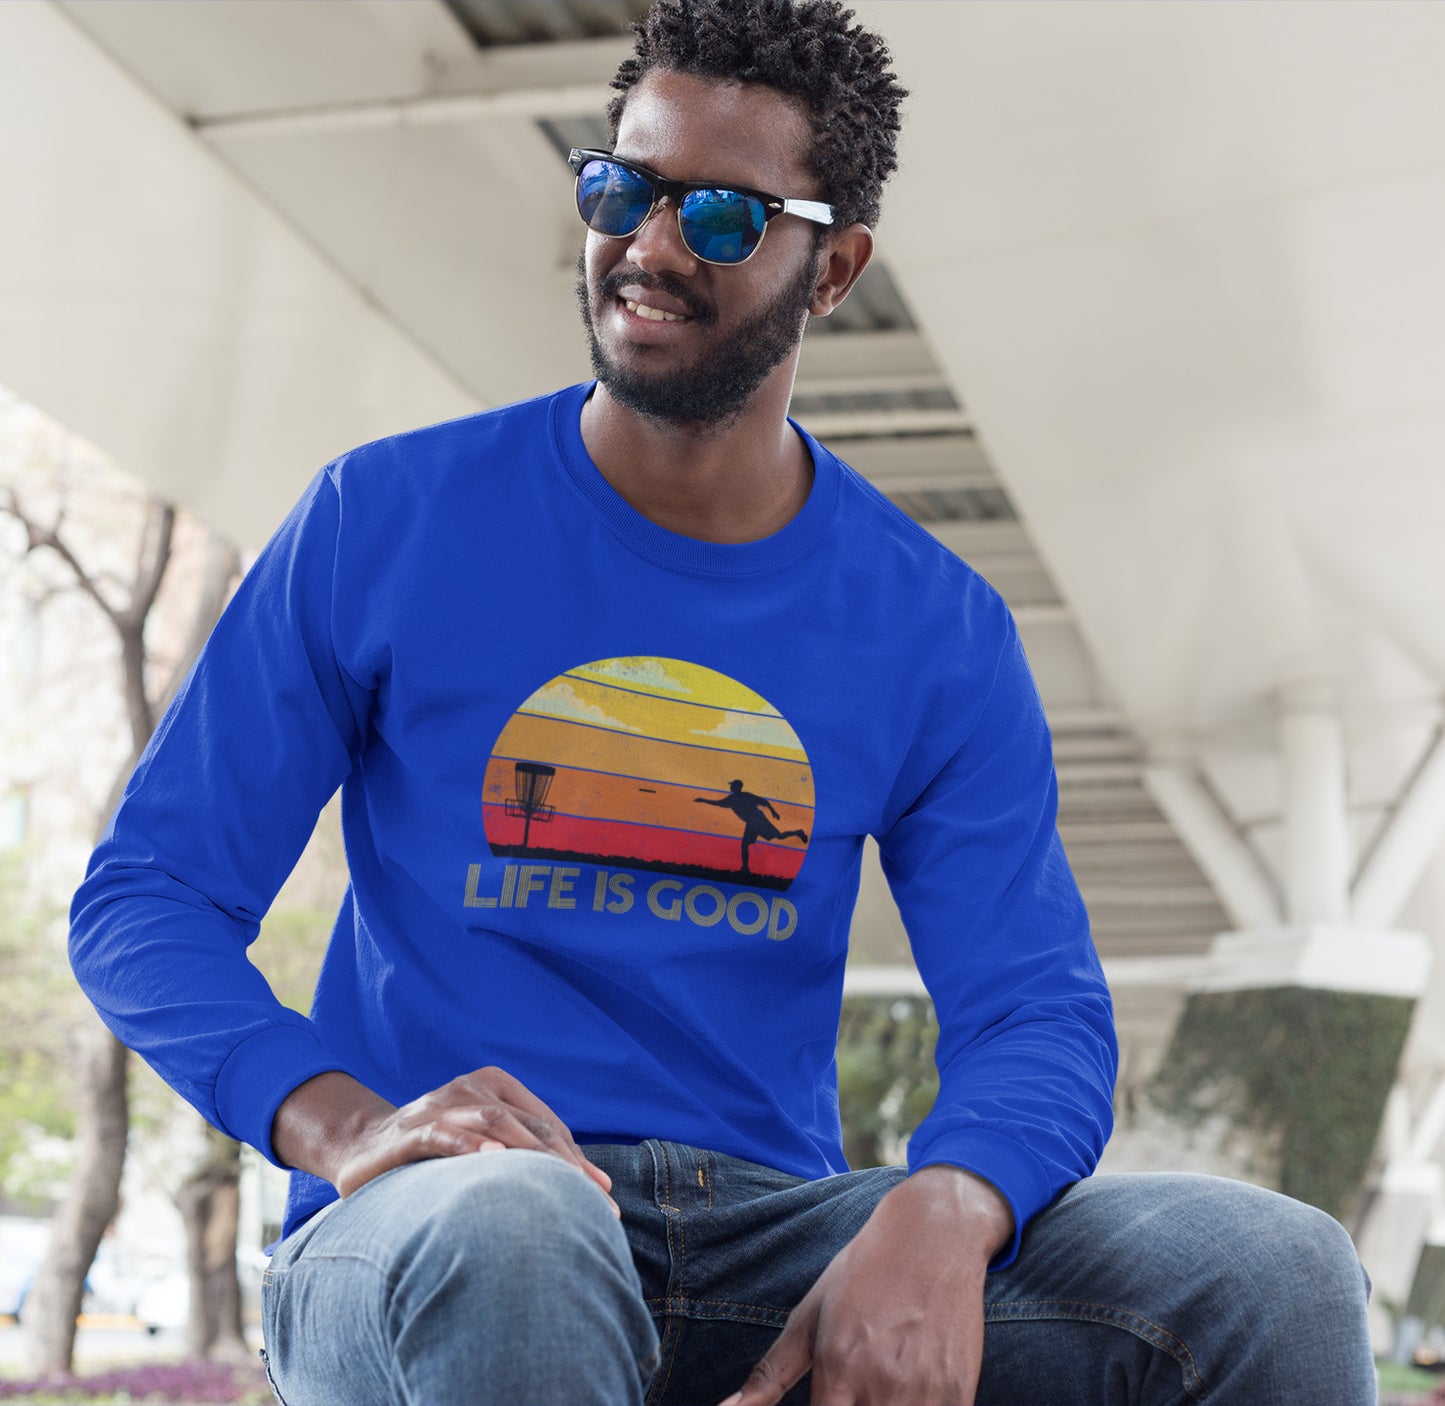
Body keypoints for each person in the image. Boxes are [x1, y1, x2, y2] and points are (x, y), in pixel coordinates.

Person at [69, 2, 1376, 1403]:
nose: (649, 245)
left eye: (722, 217)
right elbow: (147, 898)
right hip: (432, 1218)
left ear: (834, 270)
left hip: (766, 1234)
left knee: (1274, 1272)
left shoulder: (934, 628)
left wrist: (949, 1204)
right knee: (521, 1225)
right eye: (619, 190)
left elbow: (1034, 1013)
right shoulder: (383, 519)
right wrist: (342, 1125)